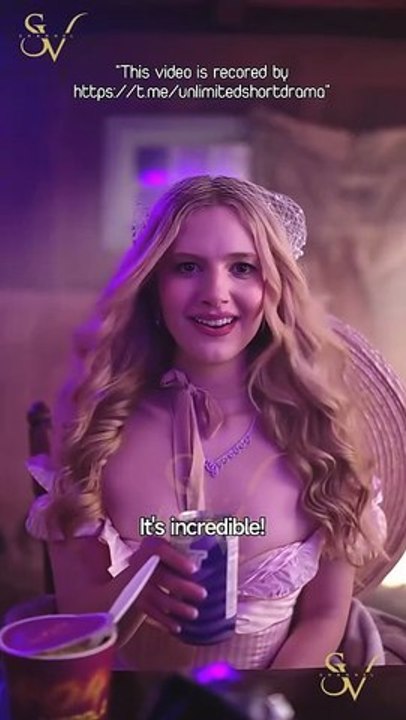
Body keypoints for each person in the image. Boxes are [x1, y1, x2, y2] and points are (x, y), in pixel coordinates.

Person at [26, 175, 388, 670]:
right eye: (187, 267)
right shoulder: (97, 428)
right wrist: (135, 584)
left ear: (275, 285)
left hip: (276, 695)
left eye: (243, 268)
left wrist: (253, 701)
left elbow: (325, 615)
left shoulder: (318, 432)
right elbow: (76, 620)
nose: (215, 293)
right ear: (154, 284)